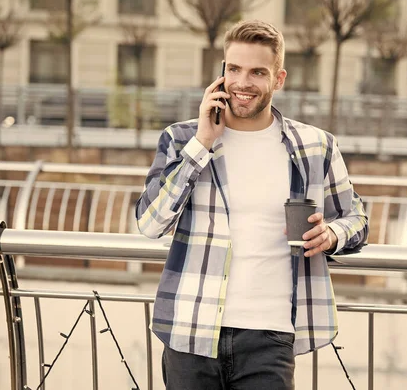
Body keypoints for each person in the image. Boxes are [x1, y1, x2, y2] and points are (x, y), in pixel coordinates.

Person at [135, 19, 369, 390]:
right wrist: (201, 146)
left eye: (258, 72)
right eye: (234, 69)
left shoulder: (315, 146)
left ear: (278, 79)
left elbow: (357, 218)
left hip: (270, 336)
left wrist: (332, 234)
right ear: (221, 73)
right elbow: (149, 224)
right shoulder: (182, 139)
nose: (243, 83)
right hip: (190, 330)